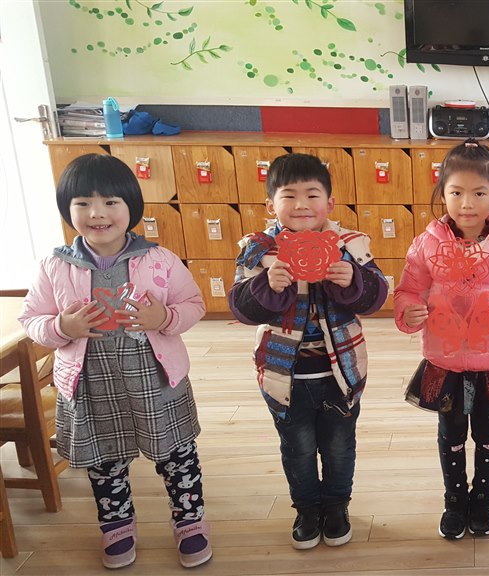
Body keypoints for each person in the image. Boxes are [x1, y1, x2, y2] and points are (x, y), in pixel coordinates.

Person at [19, 154, 211, 569]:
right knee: (104, 460)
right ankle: (117, 526)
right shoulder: (54, 266)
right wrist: (62, 326)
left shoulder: (159, 260)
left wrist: (164, 318)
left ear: (131, 207)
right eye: (83, 203)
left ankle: (190, 521)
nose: (97, 213)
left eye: (110, 202)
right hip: (90, 382)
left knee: (177, 454)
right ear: (68, 209)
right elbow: (31, 319)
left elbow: (193, 304)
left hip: (154, 378)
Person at [228, 153, 389, 549]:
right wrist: (268, 285)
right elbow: (241, 308)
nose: (301, 204)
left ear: (329, 204)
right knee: (297, 448)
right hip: (284, 375)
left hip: (341, 373)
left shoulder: (350, 245)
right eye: (289, 196)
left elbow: (376, 296)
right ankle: (306, 508)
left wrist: (353, 280)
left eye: (312, 195)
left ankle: (336, 506)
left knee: (339, 446)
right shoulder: (258, 250)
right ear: (271, 205)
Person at [394, 139, 489, 540]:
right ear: (442, 193)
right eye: (456, 192)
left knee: (488, 433)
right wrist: (408, 311)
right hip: (444, 359)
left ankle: (483, 497)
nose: (467, 203)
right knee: (451, 433)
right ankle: (455, 499)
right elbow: (408, 289)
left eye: (479, 193)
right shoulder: (427, 242)